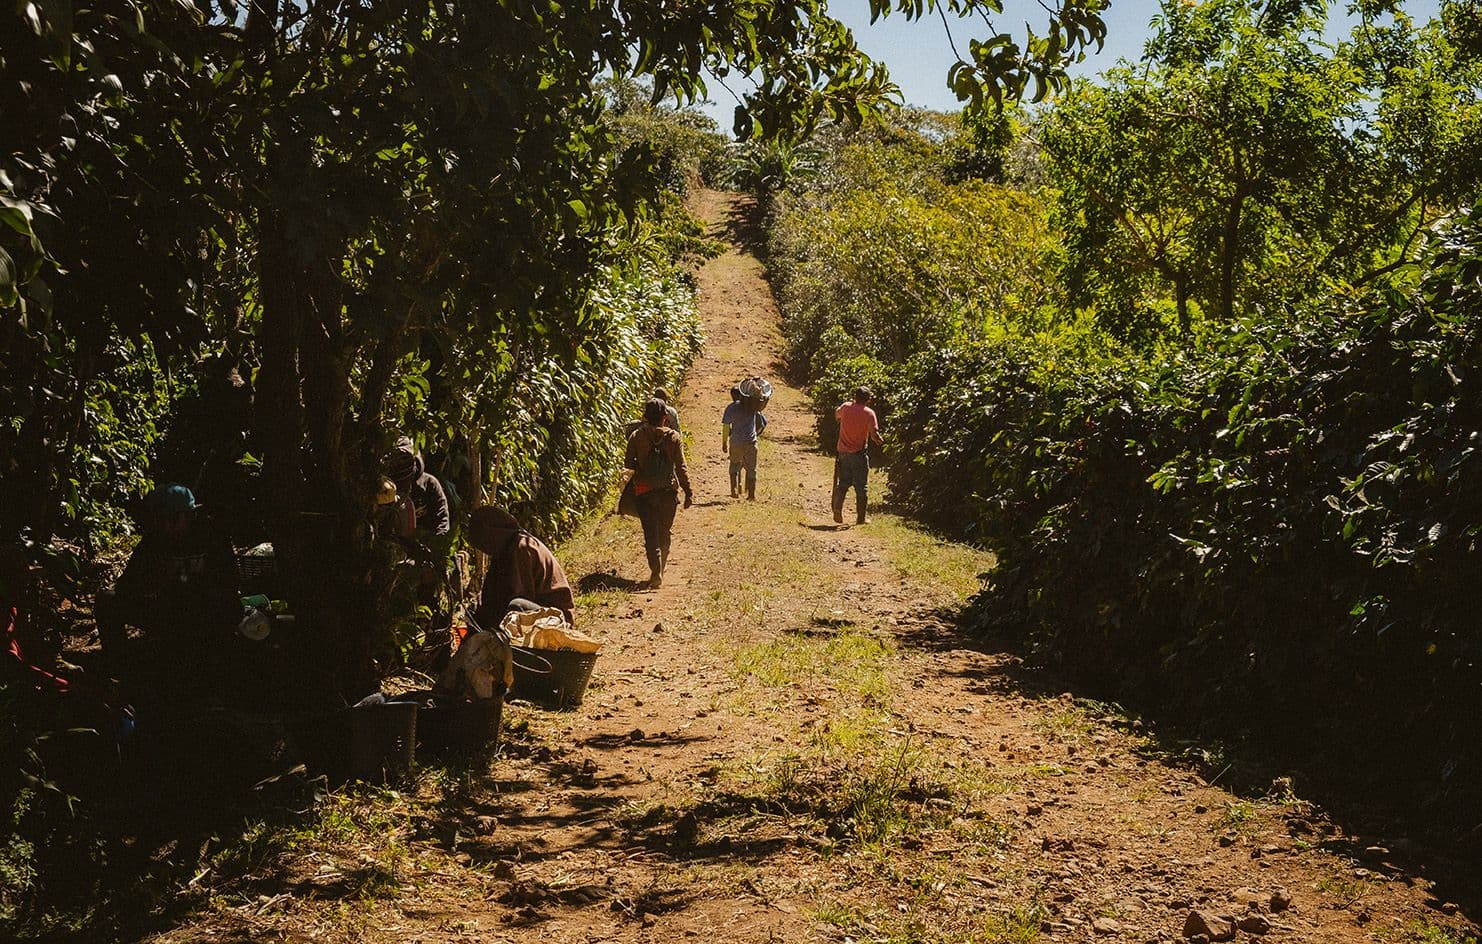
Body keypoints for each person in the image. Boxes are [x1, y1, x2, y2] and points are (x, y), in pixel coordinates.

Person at [94, 483, 241, 669]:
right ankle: (121, 664)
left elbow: (230, 582)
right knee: (107, 600)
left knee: (230, 609)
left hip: (203, 610)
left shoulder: (213, 537)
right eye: (160, 519)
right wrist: (152, 587)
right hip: (166, 609)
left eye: (172, 519)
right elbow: (127, 585)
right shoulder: (154, 540)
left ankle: (214, 657)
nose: (166, 525)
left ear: (190, 515)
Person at [467, 505, 575, 628]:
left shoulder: (521, 548)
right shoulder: (504, 550)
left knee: (515, 607)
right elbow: (490, 594)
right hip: (537, 611)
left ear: (492, 535)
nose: (485, 549)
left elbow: (518, 595)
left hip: (556, 618)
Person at [625, 398, 694, 589]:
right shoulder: (673, 438)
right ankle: (661, 569)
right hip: (668, 493)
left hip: (645, 493)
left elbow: (628, 466)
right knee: (664, 532)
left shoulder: (636, 437)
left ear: (645, 417)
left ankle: (655, 573)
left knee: (650, 534)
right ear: (665, 417)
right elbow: (681, 467)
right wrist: (688, 491)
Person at [832, 386, 884, 525]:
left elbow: (837, 415)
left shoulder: (846, 407)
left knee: (843, 483)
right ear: (868, 399)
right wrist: (880, 441)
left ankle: (837, 508)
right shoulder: (869, 413)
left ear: (855, 396)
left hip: (842, 452)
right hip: (858, 454)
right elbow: (874, 434)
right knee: (862, 486)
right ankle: (860, 518)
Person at [384, 436, 450, 536]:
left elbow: (442, 517)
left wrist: (436, 540)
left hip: (426, 540)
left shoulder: (429, 483)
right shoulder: (386, 487)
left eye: (406, 459)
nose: (402, 463)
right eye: (399, 460)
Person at [721, 385, 768, 500]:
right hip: (751, 442)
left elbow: (726, 426)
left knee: (734, 465)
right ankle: (751, 495)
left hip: (736, 442)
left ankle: (734, 490)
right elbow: (762, 422)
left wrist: (724, 442)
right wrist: (756, 433)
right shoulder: (752, 407)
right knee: (751, 469)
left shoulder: (731, 408)